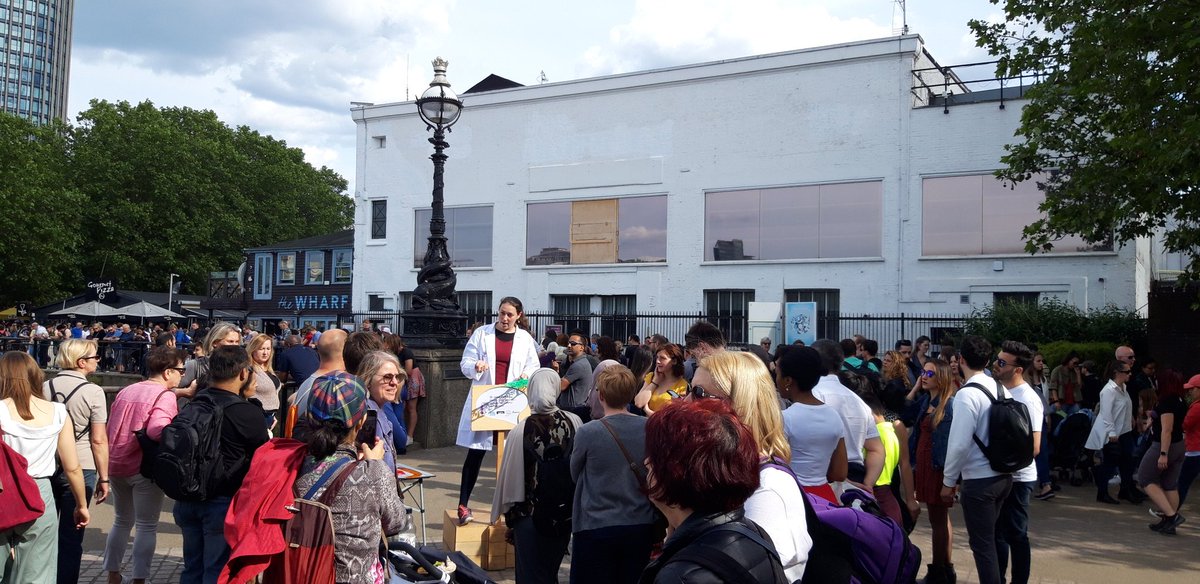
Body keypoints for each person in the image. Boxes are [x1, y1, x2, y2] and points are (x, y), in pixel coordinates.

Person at [637, 399, 788, 584]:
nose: (646, 462)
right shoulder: (755, 533)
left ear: (677, 474)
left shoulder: (681, 576)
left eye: (656, 456)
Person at [696, 350, 812, 582]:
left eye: (698, 393)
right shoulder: (726, 469)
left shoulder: (768, 489)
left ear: (737, 404)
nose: (684, 402)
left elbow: (747, 573)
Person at [292, 373, 409, 583]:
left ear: (309, 418)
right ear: (361, 421)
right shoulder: (373, 472)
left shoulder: (291, 463)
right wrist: (376, 464)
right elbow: (397, 522)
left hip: (300, 574)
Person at [172, 345, 269, 584]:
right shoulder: (247, 413)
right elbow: (263, 457)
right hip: (222, 502)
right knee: (217, 572)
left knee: (192, 568)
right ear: (243, 373)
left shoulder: (194, 404)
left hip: (187, 497)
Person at [0, 351, 90, 584]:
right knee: (37, 572)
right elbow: (72, 467)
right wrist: (81, 504)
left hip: (2, 491)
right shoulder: (58, 412)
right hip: (39, 493)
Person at [102, 346, 187, 584]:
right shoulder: (165, 396)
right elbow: (156, 430)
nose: (182, 375)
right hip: (143, 466)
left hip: (116, 462)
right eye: (180, 370)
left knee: (121, 520)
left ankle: (112, 574)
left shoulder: (127, 390)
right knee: (146, 525)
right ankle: (140, 578)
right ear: (168, 372)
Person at [492, 368, 583, 584]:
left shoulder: (521, 429)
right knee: (550, 571)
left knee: (529, 575)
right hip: (563, 514)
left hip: (529, 516)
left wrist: (510, 520)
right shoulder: (574, 422)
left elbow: (510, 481)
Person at [570, 364, 658, 584]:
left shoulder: (587, 432)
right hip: (639, 523)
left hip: (595, 524)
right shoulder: (649, 427)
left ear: (601, 396)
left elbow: (574, 473)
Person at [456, 296, 540, 525]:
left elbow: (533, 366)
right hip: (486, 400)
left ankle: (515, 506)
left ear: (518, 316)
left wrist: (526, 375)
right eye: (502, 313)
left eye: (509, 315)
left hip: (512, 402)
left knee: (514, 457)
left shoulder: (525, 339)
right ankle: (463, 505)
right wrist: (475, 365)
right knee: (475, 454)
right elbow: (465, 362)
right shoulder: (482, 333)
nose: (504, 318)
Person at [940, 335, 1011, 584]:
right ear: (988, 361)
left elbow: (959, 443)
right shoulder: (999, 388)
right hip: (1003, 475)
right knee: (992, 540)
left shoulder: (967, 395)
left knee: (982, 546)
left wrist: (948, 481)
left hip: (980, 480)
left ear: (960, 360)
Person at [42, 338, 110, 584]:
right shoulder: (93, 392)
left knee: (45, 532)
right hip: (82, 464)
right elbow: (98, 440)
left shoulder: (45, 386)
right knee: (72, 535)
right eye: (95, 357)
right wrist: (104, 477)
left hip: (48, 462)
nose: (98, 361)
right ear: (81, 362)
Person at [992, 341, 1042, 584]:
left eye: (1002, 362)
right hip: (1000, 475)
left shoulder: (1028, 399)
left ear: (1018, 369)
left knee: (1016, 534)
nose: (996, 365)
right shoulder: (999, 389)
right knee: (998, 533)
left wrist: (1005, 462)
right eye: (997, 359)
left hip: (1019, 478)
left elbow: (1034, 447)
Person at [776, 345, 848, 503]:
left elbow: (776, 468)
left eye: (778, 374)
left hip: (792, 497)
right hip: (825, 498)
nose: (776, 379)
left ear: (788, 380)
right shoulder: (834, 416)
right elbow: (840, 473)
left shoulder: (784, 418)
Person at [810, 339, 885, 489]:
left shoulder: (812, 396)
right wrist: (868, 484)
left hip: (823, 476)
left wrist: (843, 479)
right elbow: (877, 449)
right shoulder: (859, 402)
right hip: (856, 475)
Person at [913, 358, 958, 584]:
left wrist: (951, 479)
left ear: (941, 378)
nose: (924, 376)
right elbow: (905, 407)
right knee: (939, 519)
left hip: (937, 469)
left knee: (938, 520)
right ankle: (945, 568)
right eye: (923, 372)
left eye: (930, 374)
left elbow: (950, 443)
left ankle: (938, 571)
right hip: (926, 466)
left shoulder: (948, 405)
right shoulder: (926, 400)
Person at [1139, 369, 1188, 534]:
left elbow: (1167, 429)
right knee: (1169, 484)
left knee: (1145, 478)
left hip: (1164, 446)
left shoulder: (1166, 401)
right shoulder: (1181, 400)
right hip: (1179, 445)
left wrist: (1163, 454)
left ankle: (1172, 516)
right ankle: (1169, 522)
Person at [1086, 361, 1134, 505]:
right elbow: (1106, 414)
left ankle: (1125, 490)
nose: (1130, 374)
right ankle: (1102, 492)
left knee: (1127, 461)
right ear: (1117, 373)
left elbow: (1124, 408)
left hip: (1125, 431)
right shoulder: (1108, 391)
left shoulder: (1123, 388)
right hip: (1113, 434)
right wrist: (1112, 432)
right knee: (1110, 462)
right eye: (1127, 372)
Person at [359, 350, 406, 473]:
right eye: (387, 377)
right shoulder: (368, 416)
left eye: (397, 377)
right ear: (368, 380)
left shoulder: (380, 410)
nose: (394, 383)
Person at [178, 322, 242, 398]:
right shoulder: (195, 365)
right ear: (215, 342)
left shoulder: (241, 367)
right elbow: (168, 388)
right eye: (230, 341)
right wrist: (187, 392)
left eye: (237, 342)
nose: (235, 346)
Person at [383, 333, 424, 446]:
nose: (385, 345)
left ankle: (410, 436)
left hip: (412, 381)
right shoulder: (394, 353)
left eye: (387, 343)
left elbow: (409, 371)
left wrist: (396, 374)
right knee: (404, 409)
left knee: (411, 408)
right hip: (402, 381)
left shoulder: (406, 352)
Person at [633, 343, 688, 415]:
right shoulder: (651, 377)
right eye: (657, 357)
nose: (658, 361)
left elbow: (675, 414)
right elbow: (638, 403)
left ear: (674, 361)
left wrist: (648, 410)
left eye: (663, 358)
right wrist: (655, 382)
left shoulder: (682, 385)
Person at [246, 333, 281, 430]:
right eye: (261, 349)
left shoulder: (268, 369)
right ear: (253, 349)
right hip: (256, 417)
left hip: (270, 416)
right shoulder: (249, 370)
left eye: (268, 349)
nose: (265, 353)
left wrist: (273, 415)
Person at [559, 330, 595, 421]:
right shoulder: (575, 363)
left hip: (574, 411)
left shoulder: (579, 365)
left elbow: (561, 386)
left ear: (582, 347)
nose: (569, 346)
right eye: (568, 343)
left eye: (573, 344)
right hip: (573, 409)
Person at [1176, 374, 1200, 508]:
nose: (1190, 392)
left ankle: (1171, 512)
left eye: (1192, 389)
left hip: (1194, 451)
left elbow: (1185, 424)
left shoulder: (1197, 407)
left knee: (1182, 482)